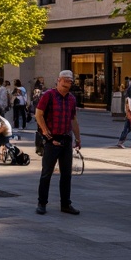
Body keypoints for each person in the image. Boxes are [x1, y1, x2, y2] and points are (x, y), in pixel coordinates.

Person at [35, 70, 82, 215]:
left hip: (66, 139)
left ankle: (65, 204)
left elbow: (73, 119)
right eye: (66, 80)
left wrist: (78, 138)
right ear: (58, 80)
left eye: (70, 81)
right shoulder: (48, 95)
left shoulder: (72, 99)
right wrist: (45, 132)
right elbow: (39, 114)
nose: (68, 82)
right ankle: (42, 203)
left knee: (66, 174)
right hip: (52, 139)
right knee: (46, 173)